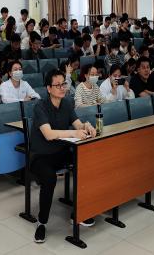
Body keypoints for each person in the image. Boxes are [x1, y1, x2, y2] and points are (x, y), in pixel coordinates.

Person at [31, 69, 96, 243]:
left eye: (64, 84)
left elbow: (77, 124)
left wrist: (86, 126)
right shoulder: (40, 106)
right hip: (40, 156)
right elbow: (48, 134)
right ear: (48, 88)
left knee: (85, 165)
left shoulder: (66, 103)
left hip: (60, 152)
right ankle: (42, 223)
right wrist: (73, 133)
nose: (62, 88)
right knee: (50, 178)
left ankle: (78, 213)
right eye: (57, 85)